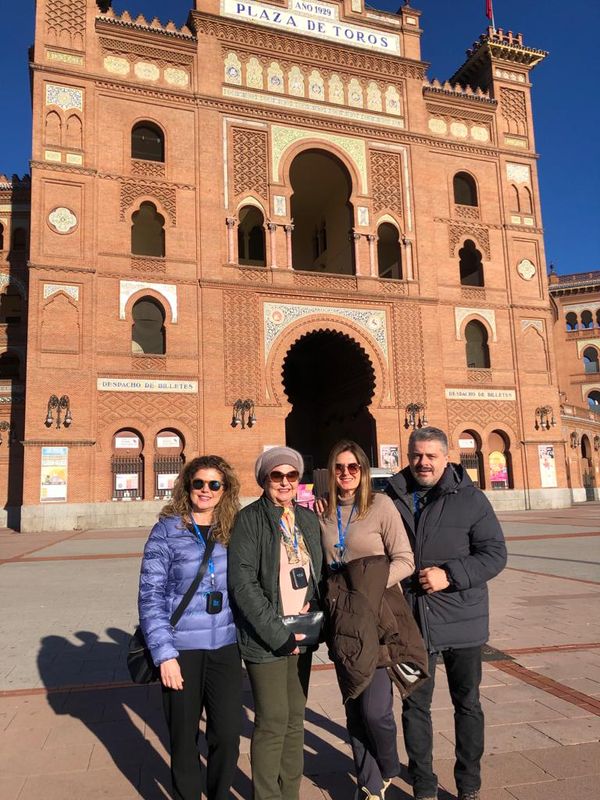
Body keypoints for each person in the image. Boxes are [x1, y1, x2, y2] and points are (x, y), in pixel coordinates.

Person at [386, 427, 507, 800]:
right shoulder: (389, 497)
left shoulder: (472, 500)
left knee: (467, 704)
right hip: (410, 624)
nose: (423, 462)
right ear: (408, 455)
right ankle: (423, 785)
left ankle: (468, 785)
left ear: (446, 456)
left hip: (462, 622)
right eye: (416, 455)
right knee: (414, 705)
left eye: (431, 456)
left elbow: (494, 554)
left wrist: (449, 575)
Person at [319, 440, 421, 800]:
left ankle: (389, 765)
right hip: (343, 622)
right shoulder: (323, 512)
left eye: (353, 467)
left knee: (376, 711)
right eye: (339, 468)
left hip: (376, 618)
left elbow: (405, 560)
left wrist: (370, 590)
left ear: (363, 471)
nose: (346, 474)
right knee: (355, 707)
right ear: (330, 473)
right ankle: (370, 784)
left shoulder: (381, 506)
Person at [138, 455, 243, 800]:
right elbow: (150, 596)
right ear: (187, 486)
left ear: (225, 489)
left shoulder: (233, 529)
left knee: (227, 734)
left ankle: (218, 794)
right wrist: (164, 655)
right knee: (184, 738)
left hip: (225, 646)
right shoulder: (167, 530)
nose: (206, 490)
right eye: (198, 483)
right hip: (181, 649)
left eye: (214, 484)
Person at [228, 446, 323, 800]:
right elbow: (242, 583)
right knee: (271, 720)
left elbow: (317, 571)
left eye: (291, 476)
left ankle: (290, 793)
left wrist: (315, 608)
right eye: (276, 476)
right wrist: (277, 633)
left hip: (302, 631)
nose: (285, 482)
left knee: (295, 718)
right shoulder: (250, 520)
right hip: (267, 637)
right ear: (265, 480)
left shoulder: (306, 518)